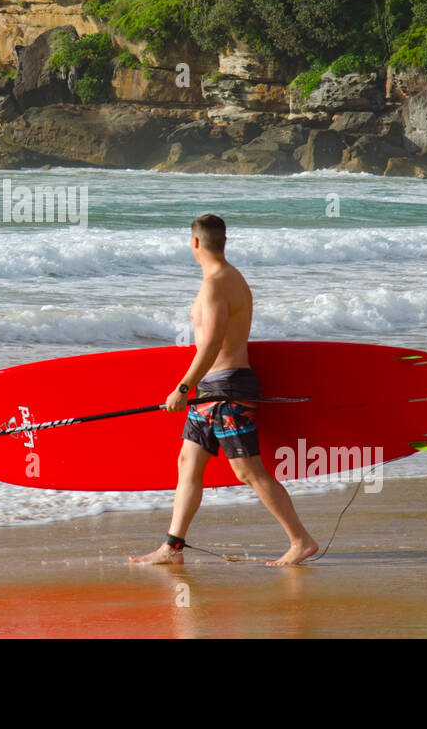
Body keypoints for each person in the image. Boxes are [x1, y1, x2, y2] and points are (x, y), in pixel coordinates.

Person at [131, 214, 318, 566]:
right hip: (211, 390)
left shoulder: (218, 283)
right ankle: (172, 548)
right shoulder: (228, 280)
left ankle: (301, 540)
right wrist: (196, 388)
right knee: (188, 462)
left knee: (247, 470)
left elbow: (212, 343)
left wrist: (182, 388)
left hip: (228, 390)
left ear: (195, 243)